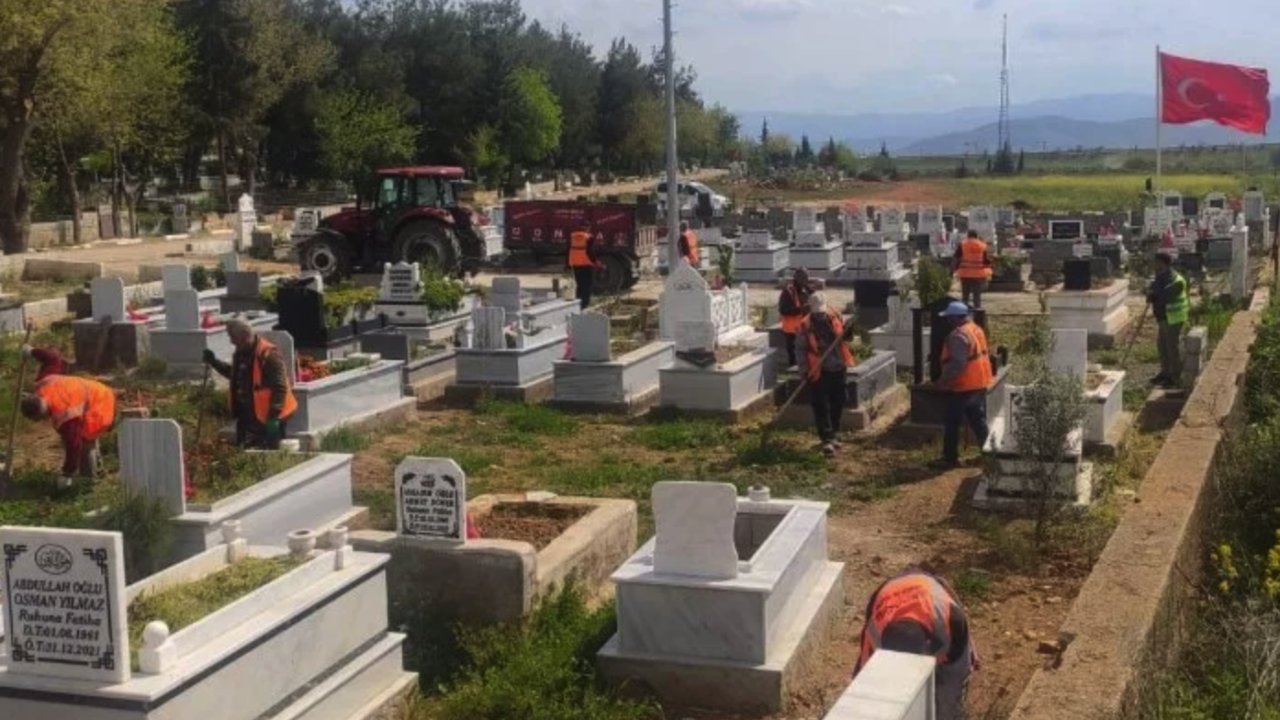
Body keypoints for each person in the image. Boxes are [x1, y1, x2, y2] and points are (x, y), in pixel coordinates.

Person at [855, 568, 978, 720]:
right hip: (888, 591)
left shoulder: (951, 621)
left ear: (929, 645)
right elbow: (863, 683)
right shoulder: (875, 632)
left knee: (948, 702)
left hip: (929, 594)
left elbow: (955, 677)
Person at [203, 319, 297, 449]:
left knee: (270, 453)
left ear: (244, 335)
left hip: (267, 417)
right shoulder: (241, 353)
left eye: (232, 337)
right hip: (247, 415)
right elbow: (235, 375)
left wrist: (273, 417)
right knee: (245, 450)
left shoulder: (269, 355)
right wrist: (214, 362)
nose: (231, 341)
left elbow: (280, 387)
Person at [20, 374, 116, 489]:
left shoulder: (65, 415)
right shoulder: (43, 391)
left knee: (85, 440)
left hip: (101, 402)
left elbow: (74, 445)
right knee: (80, 438)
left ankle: (89, 482)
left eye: (40, 418)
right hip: (95, 391)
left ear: (40, 413)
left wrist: (67, 472)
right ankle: (98, 471)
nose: (42, 421)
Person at [934, 301, 992, 469]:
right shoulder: (976, 329)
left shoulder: (958, 336)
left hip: (963, 386)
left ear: (954, 319)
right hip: (979, 382)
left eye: (949, 318)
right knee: (977, 421)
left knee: (952, 422)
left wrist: (943, 381)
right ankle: (989, 455)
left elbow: (958, 364)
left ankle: (949, 458)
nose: (947, 322)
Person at [796, 292, 855, 457]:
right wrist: (804, 370)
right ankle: (827, 438)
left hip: (838, 367)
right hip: (819, 371)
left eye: (821, 312)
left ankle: (834, 432)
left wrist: (849, 330)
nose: (820, 315)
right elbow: (800, 350)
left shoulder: (834, 316)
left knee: (839, 400)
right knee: (821, 405)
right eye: (817, 312)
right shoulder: (805, 325)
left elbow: (845, 338)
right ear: (811, 310)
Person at [1146, 253, 1189, 388]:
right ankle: (1165, 373)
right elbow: (1151, 290)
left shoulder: (1176, 281)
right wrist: (1150, 294)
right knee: (1162, 347)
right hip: (1163, 318)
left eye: (1156, 262)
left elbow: (1165, 297)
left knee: (1172, 348)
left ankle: (1174, 377)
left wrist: (1154, 295)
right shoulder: (1160, 277)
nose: (1154, 265)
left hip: (1174, 318)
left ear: (1163, 263)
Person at [777, 268, 814, 369]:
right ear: (797, 278)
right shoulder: (788, 292)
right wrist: (801, 309)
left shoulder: (807, 290)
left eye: (807, 278)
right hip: (792, 331)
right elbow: (783, 310)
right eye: (804, 278)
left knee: (806, 356)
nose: (806, 280)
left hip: (805, 330)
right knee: (794, 359)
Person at [952, 229, 993, 309]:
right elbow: (985, 260)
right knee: (976, 295)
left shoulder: (963, 244)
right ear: (977, 236)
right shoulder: (982, 245)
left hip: (965, 273)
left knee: (965, 295)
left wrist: (953, 269)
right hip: (978, 274)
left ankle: (963, 311)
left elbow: (956, 258)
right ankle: (977, 312)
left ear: (968, 235)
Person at [567, 222, 600, 310]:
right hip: (586, 264)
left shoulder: (572, 236)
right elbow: (590, 252)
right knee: (587, 285)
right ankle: (585, 304)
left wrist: (567, 265)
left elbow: (568, 250)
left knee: (580, 285)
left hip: (575, 264)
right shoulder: (589, 237)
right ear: (588, 228)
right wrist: (596, 262)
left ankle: (578, 303)